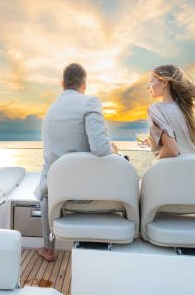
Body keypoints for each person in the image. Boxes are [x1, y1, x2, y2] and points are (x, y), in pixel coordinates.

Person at [33, 63, 118, 262]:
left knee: (46, 180)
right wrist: (113, 148)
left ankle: (48, 248)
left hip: (55, 189)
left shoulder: (50, 112)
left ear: (62, 83)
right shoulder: (90, 102)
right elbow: (100, 148)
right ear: (84, 85)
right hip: (85, 189)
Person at [146, 64, 195, 158]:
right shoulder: (187, 109)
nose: (148, 87)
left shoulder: (156, 108)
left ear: (164, 83)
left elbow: (171, 150)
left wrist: (154, 164)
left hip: (175, 169)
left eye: (151, 81)